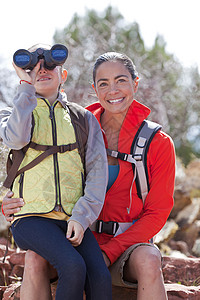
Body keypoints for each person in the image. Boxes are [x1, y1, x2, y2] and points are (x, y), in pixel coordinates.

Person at [2, 51, 176, 300]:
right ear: (94, 89)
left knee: (150, 258)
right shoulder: (78, 125)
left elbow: (157, 214)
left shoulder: (157, 143)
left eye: (121, 80)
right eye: (103, 84)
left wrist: (110, 252)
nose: (113, 90)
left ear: (135, 83)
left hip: (127, 247)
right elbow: (34, 168)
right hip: (74, 236)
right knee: (35, 256)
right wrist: (9, 202)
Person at [0, 44, 112, 300]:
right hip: (31, 218)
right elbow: (16, 139)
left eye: (49, 64)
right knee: (72, 266)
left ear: (63, 74)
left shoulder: (83, 119)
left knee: (100, 277)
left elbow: (96, 174)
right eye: (33, 66)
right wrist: (26, 86)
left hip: (73, 219)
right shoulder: (11, 114)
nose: (41, 69)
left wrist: (82, 218)